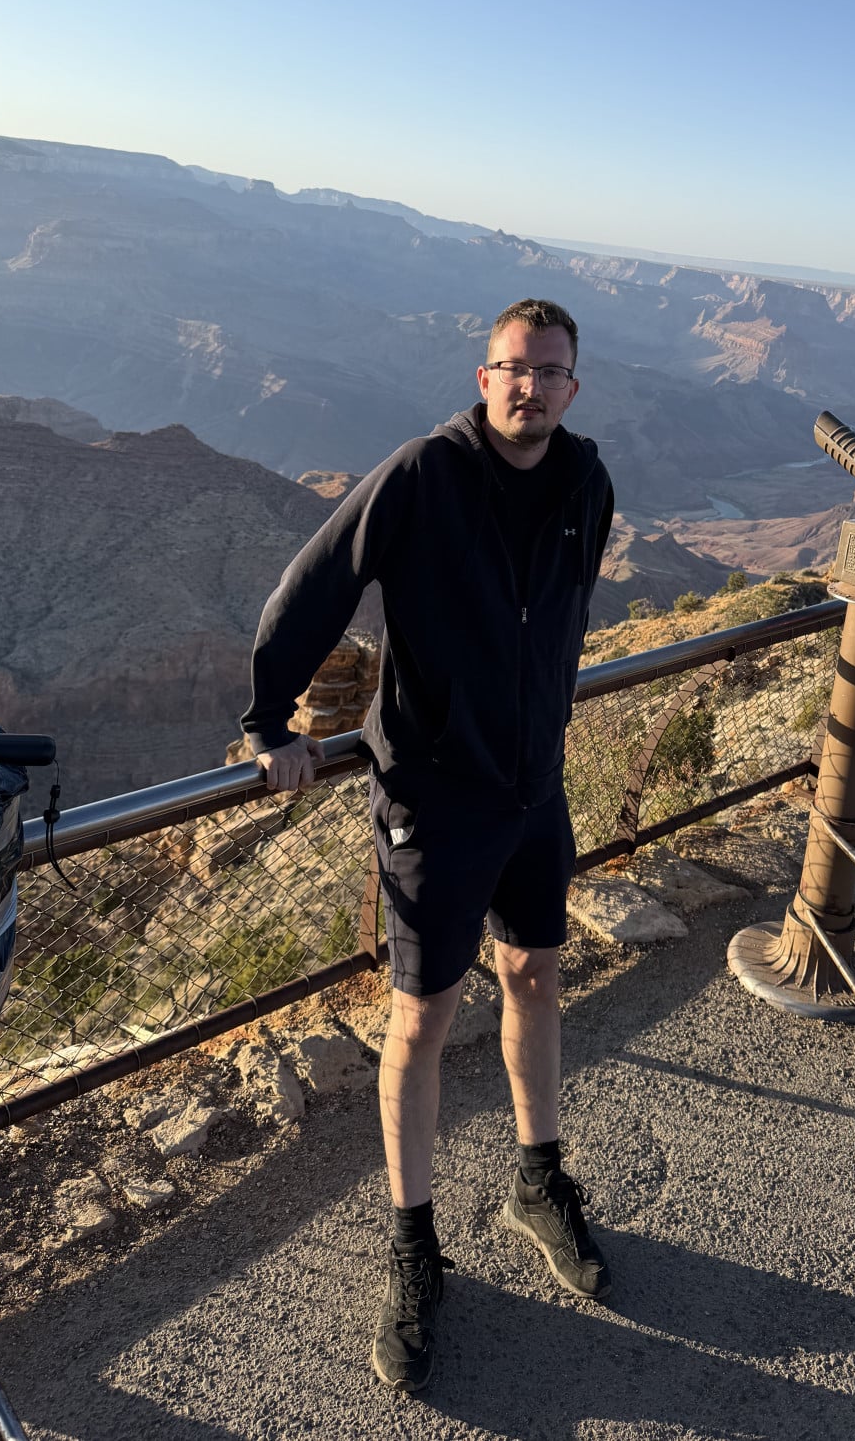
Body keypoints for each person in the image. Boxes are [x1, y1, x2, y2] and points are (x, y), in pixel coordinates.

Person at [241, 298, 614, 1395]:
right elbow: (313, 586)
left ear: (571, 388)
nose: (529, 387)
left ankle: (538, 1183)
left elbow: (565, 615)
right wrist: (272, 723)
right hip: (434, 799)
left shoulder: (586, 482)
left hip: (531, 792)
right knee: (420, 1017)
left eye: (549, 373)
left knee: (538, 977)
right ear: (483, 372)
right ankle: (412, 1249)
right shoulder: (420, 473)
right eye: (512, 368)